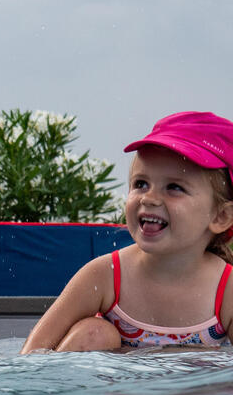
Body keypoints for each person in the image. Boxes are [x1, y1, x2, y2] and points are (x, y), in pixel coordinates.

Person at [21, 111, 233, 353]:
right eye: (140, 183)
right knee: (95, 333)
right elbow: (31, 359)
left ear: (221, 217)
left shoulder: (226, 290)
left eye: (174, 187)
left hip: (195, 389)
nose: (150, 198)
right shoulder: (104, 276)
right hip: (112, 388)